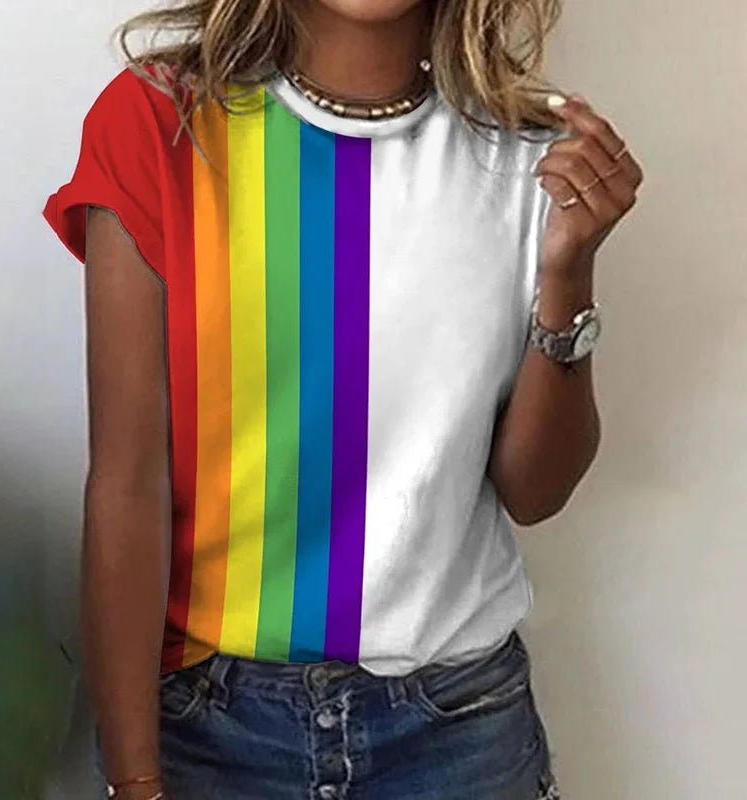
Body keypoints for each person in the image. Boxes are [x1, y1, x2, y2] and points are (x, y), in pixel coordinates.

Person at [43, 0, 642, 797]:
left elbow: (535, 492)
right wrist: (134, 779)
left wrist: (570, 271)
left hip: (457, 728)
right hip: (209, 727)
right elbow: (126, 485)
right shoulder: (159, 121)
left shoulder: (535, 152)